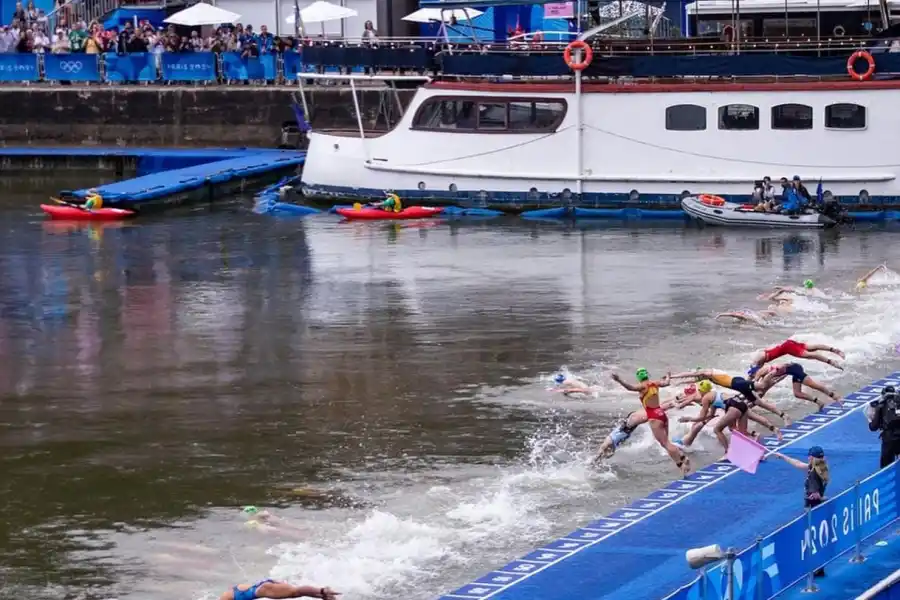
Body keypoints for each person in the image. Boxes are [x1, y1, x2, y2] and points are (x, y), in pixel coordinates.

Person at [610, 368, 691, 474]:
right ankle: (681, 460)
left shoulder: (642, 386)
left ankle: (682, 461)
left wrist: (619, 380)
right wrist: (668, 375)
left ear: (639, 377)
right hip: (661, 414)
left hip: (654, 417)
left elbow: (630, 387)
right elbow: (667, 383)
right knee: (666, 443)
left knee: (665, 444)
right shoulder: (655, 383)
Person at [772, 446, 829, 577]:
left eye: (809, 456)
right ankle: (819, 566)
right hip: (818, 508)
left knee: (812, 538)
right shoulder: (821, 468)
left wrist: (817, 497)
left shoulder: (813, 474)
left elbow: (815, 494)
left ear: (812, 457)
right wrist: (784, 457)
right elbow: (798, 464)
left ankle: (817, 568)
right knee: (817, 537)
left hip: (812, 509)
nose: (808, 458)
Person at [755, 362, 841, 408]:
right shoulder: (762, 375)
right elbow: (763, 386)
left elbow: (783, 366)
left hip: (795, 369)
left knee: (813, 385)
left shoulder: (767, 372)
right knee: (797, 394)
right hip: (792, 371)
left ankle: (834, 396)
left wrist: (783, 368)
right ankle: (819, 402)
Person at [746, 339, 844, 377]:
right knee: (811, 347)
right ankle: (835, 350)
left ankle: (831, 362)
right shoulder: (758, 360)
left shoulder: (758, 360)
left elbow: (756, 374)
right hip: (788, 343)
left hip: (787, 348)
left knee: (810, 355)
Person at [866, 385, 900, 467]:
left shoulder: (880, 406)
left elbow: (873, 427)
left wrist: (870, 421)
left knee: (886, 466)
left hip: (889, 440)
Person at [219, 580, 339, 600]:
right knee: (296, 593)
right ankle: (324, 596)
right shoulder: (232, 591)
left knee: (296, 592)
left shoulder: (225, 598)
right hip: (264, 585)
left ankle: (323, 591)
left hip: (265, 590)